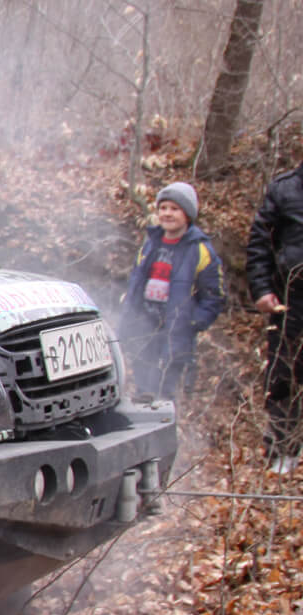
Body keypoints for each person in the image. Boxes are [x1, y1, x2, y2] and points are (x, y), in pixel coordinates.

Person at [117, 181, 223, 404]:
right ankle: (144, 422)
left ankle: (167, 424)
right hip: (145, 325)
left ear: (188, 215)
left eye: (175, 209)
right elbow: (136, 282)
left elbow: (214, 295)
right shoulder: (150, 244)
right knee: (143, 389)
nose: (167, 213)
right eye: (163, 208)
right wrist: (129, 315)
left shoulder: (200, 250)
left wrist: (193, 322)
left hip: (176, 332)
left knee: (166, 391)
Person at [247, 159, 303, 473]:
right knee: (283, 377)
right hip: (290, 302)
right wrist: (261, 289)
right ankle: (283, 454)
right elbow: (260, 243)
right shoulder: (284, 189)